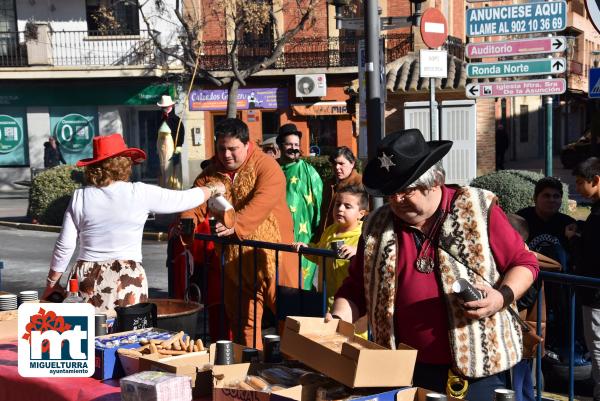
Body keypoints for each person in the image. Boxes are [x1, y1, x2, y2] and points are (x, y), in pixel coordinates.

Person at [330, 129, 539, 399]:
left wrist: (502, 296)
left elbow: (524, 262)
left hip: (477, 371)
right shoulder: (376, 225)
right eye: (390, 193)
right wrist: (336, 322)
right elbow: (355, 287)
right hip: (400, 371)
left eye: (405, 191)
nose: (396, 200)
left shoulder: (477, 208)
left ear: (434, 181)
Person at [41, 133, 224, 315]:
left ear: (94, 166)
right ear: (124, 164)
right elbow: (184, 199)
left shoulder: (80, 197)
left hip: (86, 276)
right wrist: (213, 188)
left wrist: (52, 283)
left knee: (88, 334)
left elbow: (64, 245)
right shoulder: (139, 193)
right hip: (127, 276)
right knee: (128, 337)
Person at [180, 118, 297, 347]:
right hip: (235, 260)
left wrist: (235, 225)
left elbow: (262, 203)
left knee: (290, 319)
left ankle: (296, 370)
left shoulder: (267, 166)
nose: (226, 155)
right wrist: (186, 223)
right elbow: (194, 202)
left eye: (233, 149)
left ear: (247, 144)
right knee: (243, 323)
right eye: (221, 148)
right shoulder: (210, 173)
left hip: (275, 255)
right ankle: (251, 370)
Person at [293, 184, 368, 337]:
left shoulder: (364, 235)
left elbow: (371, 258)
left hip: (350, 306)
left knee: (350, 341)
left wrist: (358, 252)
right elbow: (320, 254)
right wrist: (307, 248)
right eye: (337, 204)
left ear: (361, 213)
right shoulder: (330, 230)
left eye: (347, 206)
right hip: (326, 302)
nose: (340, 209)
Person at [566, 157, 600, 401]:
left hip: (595, 293)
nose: (577, 189)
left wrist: (574, 239)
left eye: (580, 183)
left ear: (595, 180)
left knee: (597, 345)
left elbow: (593, 253)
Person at [277, 123, 323, 289]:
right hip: (276, 234)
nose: (294, 148)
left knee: (301, 282)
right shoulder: (272, 169)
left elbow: (320, 205)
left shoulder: (309, 172)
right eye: (289, 144)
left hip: (303, 236)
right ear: (280, 146)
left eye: (297, 145)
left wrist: (318, 235)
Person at [517, 177, 574, 268]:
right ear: (535, 198)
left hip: (561, 278)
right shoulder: (520, 219)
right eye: (546, 195)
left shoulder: (569, 224)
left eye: (556, 196)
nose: (552, 200)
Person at [315, 146, 363, 239]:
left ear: (352, 163)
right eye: (334, 163)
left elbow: (366, 215)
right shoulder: (329, 183)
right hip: (327, 238)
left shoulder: (360, 183)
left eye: (341, 163)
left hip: (350, 240)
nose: (337, 167)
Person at [157, 95, 185, 189]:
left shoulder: (177, 120)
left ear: (171, 106)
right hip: (161, 151)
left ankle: (174, 189)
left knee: (173, 171)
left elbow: (181, 133)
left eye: (167, 106)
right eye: (163, 107)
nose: (165, 108)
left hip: (172, 149)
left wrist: (178, 147)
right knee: (163, 171)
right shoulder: (159, 119)